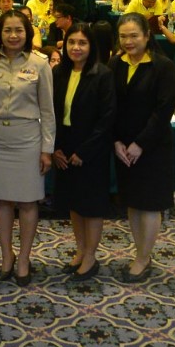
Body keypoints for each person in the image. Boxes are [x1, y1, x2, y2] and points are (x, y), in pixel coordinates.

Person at [0, 9, 55, 286]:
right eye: (8, 30)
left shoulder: (40, 64)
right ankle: (6, 256)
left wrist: (47, 149)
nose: (13, 35)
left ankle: (24, 258)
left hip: (28, 139)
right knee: (1, 201)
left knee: (27, 201)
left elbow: (48, 111)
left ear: (28, 33)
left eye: (19, 30)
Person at [108, 13, 175, 284]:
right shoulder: (116, 64)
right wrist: (116, 141)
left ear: (147, 36)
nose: (128, 41)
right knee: (133, 201)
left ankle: (143, 257)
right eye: (123, 36)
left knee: (149, 204)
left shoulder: (163, 66)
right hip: (123, 147)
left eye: (134, 36)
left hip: (152, 147)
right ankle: (140, 252)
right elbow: (110, 106)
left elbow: (163, 110)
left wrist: (140, 144)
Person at [51, 23, 115, 282]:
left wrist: (85, 151)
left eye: (82, 43)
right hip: (64, 146)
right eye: (71, 42)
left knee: (91, 205)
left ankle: (90, 256)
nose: (76, 47)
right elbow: (50, 112)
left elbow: (107, 118)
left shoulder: (102, 74)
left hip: (92, 148)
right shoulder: (58, 72)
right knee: (74, 203)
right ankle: (80, 251)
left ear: (91, 46)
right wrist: (55, 147)